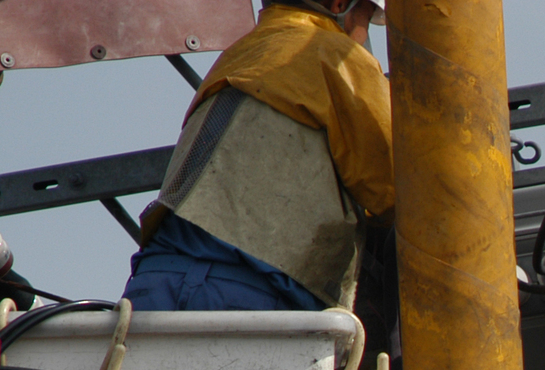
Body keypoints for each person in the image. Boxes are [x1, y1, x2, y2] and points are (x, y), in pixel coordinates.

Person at [122, 0, 393, 313]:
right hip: (257, 291)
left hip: (155, 280)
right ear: (339, 4)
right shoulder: (338, 56)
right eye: (365, 17)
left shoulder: (239, 54)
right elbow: (401, 191)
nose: (362, 34)